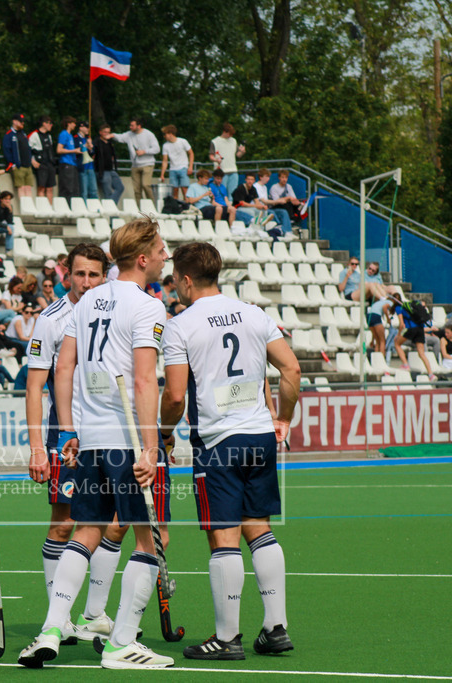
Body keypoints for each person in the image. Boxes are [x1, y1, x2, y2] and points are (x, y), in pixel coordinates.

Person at [18, 217, 173, 670]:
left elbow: (63, 369)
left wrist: (68, 430)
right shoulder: (147, 306)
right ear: (142, 258)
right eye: (160, 250)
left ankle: (52, 627)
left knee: (86, 531)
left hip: (89, 440)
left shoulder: (87, 301)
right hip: (127, 440)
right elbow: (144, 380)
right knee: (151, 538)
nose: (165, 256)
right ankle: (121, 643)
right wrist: (150, 448)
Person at [159, 241, 300, 660]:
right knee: (259, 528)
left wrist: (163, 433)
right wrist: (284, 418)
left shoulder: (181, 325)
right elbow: (291, 368)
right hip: (260, 436)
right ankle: (275, 629)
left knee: (223, 536)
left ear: (186, 280)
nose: (175, 287)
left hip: (218, 441)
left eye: (175, 280)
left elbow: (175, 396)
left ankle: (226, 638)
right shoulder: (254, 313)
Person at [24, 243, 126, 639]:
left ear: (105, 276)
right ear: (67, 275)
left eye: (93, 274)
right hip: (67, 437)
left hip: (110, 432)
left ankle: (93, 614)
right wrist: (37, 447)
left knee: (115, 524)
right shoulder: (51, 319)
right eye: (79, 274)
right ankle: (59, 618)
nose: (86, 282)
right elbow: (35, 387)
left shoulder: (115, 310)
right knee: (64, 524)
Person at [112, 118, 160, 203]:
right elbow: (120, 137)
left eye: (132, 125)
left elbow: (157, 149)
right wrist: (112, 135)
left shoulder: (149, 134)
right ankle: (140, 208)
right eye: (130, 125)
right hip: (135, 165)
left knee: (146, 185)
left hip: (147, 164)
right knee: (137, 189)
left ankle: (152, 205)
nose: (130, 127)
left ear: (139, 126)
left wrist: (144, 151)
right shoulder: (129, 134)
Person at [3, 114, 34, 198]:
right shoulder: (9, 135)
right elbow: (7, 151)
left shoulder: (23, 133)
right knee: (21, 188)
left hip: (27, 165)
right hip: (18, 166)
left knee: (28, 188)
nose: (22, 123)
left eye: (23, 122)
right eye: (20, 121)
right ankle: (23, 205)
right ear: (14, 121)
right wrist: (12, 164)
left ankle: (29, 205)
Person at [159, 125, 193, 201]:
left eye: (165, 134)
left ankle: (187, 204)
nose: (164, 136)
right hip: (173, 169)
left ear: (170, 134)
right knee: (174, 190)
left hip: (183, 168)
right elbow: (165, 160)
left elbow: (191, 153)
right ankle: (175, 205)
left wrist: (190, 167)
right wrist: (162, 174)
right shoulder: (165, 146)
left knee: (185, 189)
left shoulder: (183, 141)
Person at [209, 122, 246, 190]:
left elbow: (238, 155)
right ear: (224, 131)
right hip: (221, 172)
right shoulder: (215, 141)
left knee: (233, 192)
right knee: (221, 192)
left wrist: (242, 151)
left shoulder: (234, 141)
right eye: (229, 134)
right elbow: (211, 156)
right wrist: (216, 160)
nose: (230, 136)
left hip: (233, 170)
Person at [29, 116, 57, 200]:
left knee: (50, 188)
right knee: (41, 188)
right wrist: (32, 161)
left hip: (50, 164)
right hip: (41, 165)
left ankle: (49, 206)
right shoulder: (34, 135)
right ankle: (42, 206)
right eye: (50, 123)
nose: (51, 125)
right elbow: (28, 150)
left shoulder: (49, 136)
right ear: (44, 123)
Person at [56, 116, 80, 200]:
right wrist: (74, 151)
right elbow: (59, 150)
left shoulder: (70, 135)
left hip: (73, 164)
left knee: (74, 189)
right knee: (67, 189)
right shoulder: (64, 134)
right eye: (73, 123)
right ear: (68, 124)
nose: (75, 125)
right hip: (66, 163)